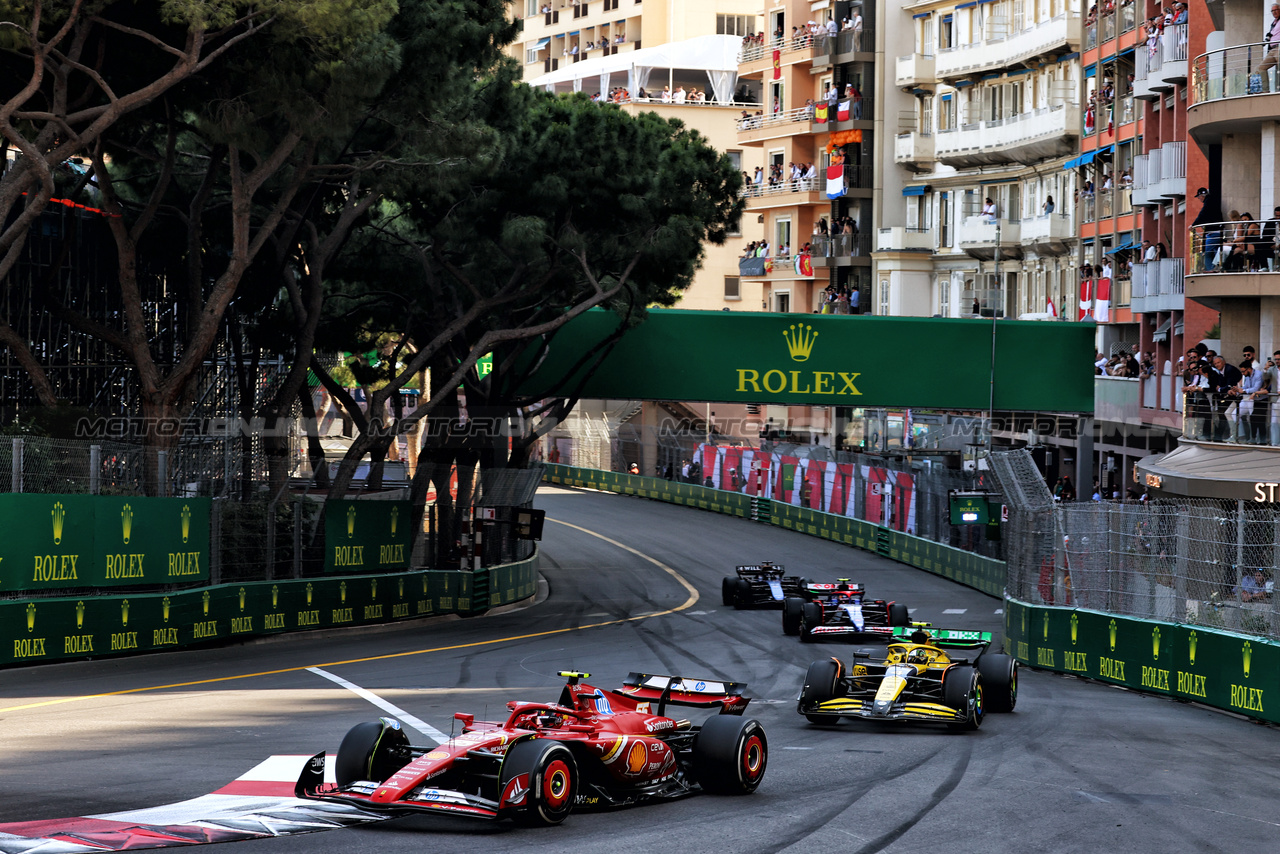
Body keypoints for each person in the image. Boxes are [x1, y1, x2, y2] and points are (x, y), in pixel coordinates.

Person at [1259, 4, 1280, 92]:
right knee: (1261, 68)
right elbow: (1270, 34)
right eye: (1272, 11)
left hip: (1279, 47)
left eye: (1276, 10)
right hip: (1272, 49)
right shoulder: (1274, 23)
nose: (1274, 12)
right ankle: (1265, 90)